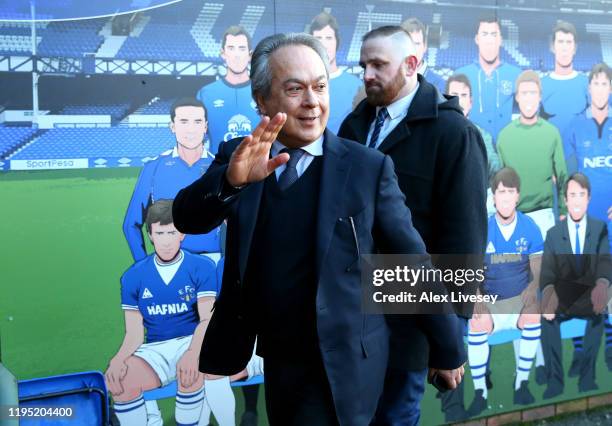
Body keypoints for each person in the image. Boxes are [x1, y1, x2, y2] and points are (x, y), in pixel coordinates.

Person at [172, 32, 467, 425]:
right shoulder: (239, 157)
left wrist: (448, 348)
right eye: (295, 89)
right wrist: (231, 181)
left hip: (348, 359)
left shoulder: (366, 167)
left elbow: (411, 262)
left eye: (320, 87)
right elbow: (187, 218)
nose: (312, 102)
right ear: (261, 100)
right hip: (279, 359)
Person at [338, 26, 487, 424]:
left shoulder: (454, 133)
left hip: (411, 328)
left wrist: (449, 339)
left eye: (378, 65)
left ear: (411, 65)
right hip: (351, 323)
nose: (368, 74)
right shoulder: (353, 128)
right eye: (363, 66)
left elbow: (464, 240)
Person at [108, 200, 239, 426]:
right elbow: (134, 334)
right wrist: (118, 360)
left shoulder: (202, 266)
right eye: (160, 233)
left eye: (172, 232)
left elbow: (207, 319)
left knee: (194, 368)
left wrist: (192, 352)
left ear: (182, 235)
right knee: (118, 380)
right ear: (150, 235)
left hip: (192, 341)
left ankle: (188, 419)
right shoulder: (133, 276)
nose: (166, 240)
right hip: (155, 350)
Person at [466, 168, 543, 416]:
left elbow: (539, 271)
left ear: (518, 196)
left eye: (510, 193)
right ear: (494, 197)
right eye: (501, 193)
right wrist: (478, 299)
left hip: (518, 304)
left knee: (534, 314)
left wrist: (533, 290)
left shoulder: (529, 227)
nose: (506, 198)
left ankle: (521, 383)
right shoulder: (482, 228)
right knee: (475, 322)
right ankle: (480, 392)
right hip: (491, 304)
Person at [539, 173, 612, 398]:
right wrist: (549, 293)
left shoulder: (599, 228)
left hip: (590, 293)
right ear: (566, 200)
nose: (577, 200)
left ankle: (587, 378)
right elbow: (547, 272)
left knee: (599, 314)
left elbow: (604, 263)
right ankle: (555, 382)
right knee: (546, 317)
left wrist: (601, 285)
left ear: (588, 198)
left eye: (581, 194)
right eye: (572, 195)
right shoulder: (553, 234)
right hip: (565, 295)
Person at [123, 98, 220, 263]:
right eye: (183, 122)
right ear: (172, 126)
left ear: (205, 127)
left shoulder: (220, 168)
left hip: (213, 261)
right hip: (169, 263)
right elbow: (131, 224)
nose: (191, 129)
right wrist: (143, 265)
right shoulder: (153, 168)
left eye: (197, 122)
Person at [563, 63, 612, 371]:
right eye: (595, 83)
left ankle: (608, 349)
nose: (599, 88)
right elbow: (568, 177)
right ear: (589, 89)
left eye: (605, 83)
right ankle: (581, 354)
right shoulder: (574, 126)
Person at [497, 70, 568, 236]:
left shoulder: (552, 133)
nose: (529, 98)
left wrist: (564, 212)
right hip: (512, 217)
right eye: (524, 93)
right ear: (517, 97)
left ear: (540, 97)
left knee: (542, 263)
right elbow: (499, 183)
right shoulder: (504, 136)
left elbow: (562, 176)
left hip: (544, 215)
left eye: (533, 93)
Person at [454, 14, 521, 140]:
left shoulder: (516, 74)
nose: (489, 40)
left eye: (494, 34)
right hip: (470, 149)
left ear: (500, 39)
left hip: (505, 150)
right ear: (477, 39)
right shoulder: (460, 75)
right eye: (484, 34)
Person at [196, 25, 260, 154]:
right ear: (223, 54)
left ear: (250, 55)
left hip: (256, 170)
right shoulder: (205, 94)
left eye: (242, 49)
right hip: (219, 171)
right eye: (231, 48)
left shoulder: (263, 92)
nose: (236, 55)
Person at [446, 73, 501, 215]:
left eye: (464, 95)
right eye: (454, 94)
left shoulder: (483, 136)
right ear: (445, 98)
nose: (459, 100)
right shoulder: (433, 133)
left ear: (471, 102)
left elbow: (496, 171)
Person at [308, 11, 361, 133]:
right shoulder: (300, 85)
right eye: (318, 38)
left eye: (329, 38)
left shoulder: (356, 86)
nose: (324, 44)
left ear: (337, 42)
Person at [541, 21, 589, 136]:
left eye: (569, 42)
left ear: (575, 48)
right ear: (552, 47)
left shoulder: (587, 84)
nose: (564, 48)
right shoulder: (540, 85)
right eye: (560, 42)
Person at [401, 17, 445, 92]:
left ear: (425, 46)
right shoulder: (388, 79)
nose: (413, 49)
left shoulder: (439, 85)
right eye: (408, 43)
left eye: (417, 44)